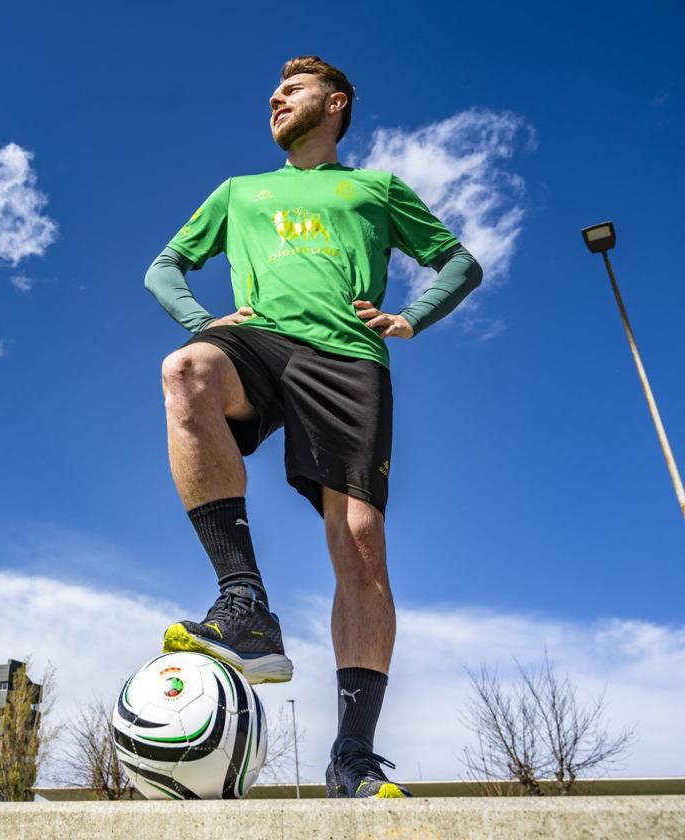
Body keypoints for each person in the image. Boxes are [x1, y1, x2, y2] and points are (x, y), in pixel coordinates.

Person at [145, 55, 483, 799]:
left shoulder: (377, 189)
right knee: (186, 370)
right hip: (261, 339)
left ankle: (352, 755)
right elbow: (164, 268)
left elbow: (459, 262)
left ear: (336, 104)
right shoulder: (239, 191)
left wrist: (412, 318)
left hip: (349, 356)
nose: (275, 96)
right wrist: (203, 320)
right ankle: (245, 605)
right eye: (274, 89)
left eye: (292, 89)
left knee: (360, 540)